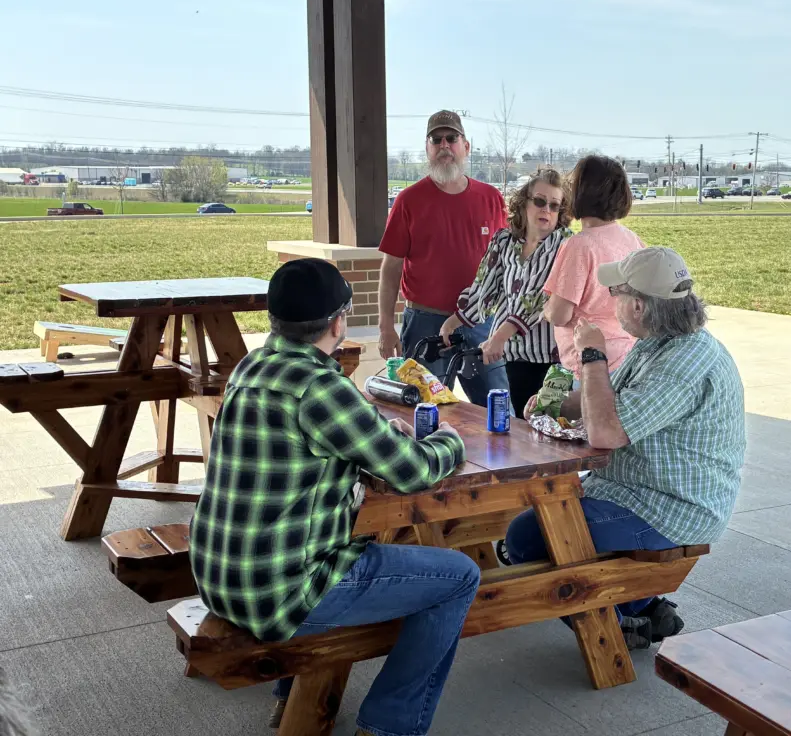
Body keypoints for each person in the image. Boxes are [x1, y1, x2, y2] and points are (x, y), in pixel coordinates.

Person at [189, 258, 480, 736]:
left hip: (219, 576)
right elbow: (414, 471)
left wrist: (378, 433)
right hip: (280, 595)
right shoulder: (320, 386)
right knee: (460, 576)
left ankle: (289, 695)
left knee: (345, 543)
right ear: (338, 323)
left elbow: (317, 440)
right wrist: (450, 438)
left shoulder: (251, 366)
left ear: (275, 319)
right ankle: (389, 724)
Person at [507, 246, 746, 649]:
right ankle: (644, 606)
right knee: (546, 514)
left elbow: (606, 433)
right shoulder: (660, 342)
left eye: (615, 293)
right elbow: (609, 400)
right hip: (634, 490)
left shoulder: (683, 364)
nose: (610, 301)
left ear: (638, 306)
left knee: (530, 536)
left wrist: (592, 355)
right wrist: (554, 403)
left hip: (671, 508)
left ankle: (614, 629)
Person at [377, 109, 510, 405]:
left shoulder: (491, 198)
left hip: (480, 321)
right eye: (436, 140)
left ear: (466, 146)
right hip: (426, 322)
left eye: (451, 138)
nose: (444, 145)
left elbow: (506, 263)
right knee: (423, 408)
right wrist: (385, 326)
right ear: (427, 148)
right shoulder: (408, 201)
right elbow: (391, 268)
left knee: (498, 407)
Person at [438, 168, 572, 418]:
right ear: (524, 203)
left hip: (552, 359)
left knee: (544, 425)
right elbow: (485, 286)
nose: (546, 210)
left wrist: (498, 337)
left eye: (554, 206)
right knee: (521, 420)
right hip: (513, 354)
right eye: (540, 201)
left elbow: (538, 298)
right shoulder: (504, 241)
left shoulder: (563, 244)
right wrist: (454, 321)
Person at [542, 154, 646, 379]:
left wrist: (546, 309)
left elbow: (559, 315)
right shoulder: (632, 239)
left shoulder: (579, 245)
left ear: (579, 192)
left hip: (590, 363)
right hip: (629, 356)